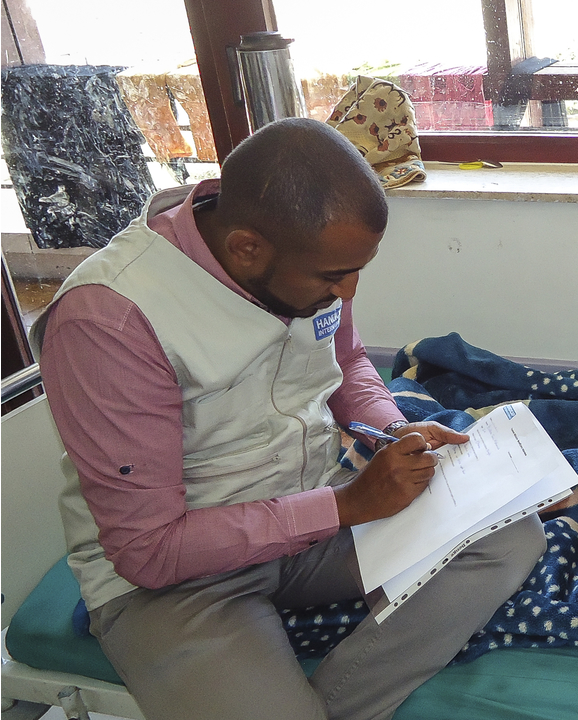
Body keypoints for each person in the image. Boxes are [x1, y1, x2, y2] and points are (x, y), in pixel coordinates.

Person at [31, 117, 547, 720]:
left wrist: (390, 427)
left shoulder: (299, 257)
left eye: (357, 271)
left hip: (306, 518)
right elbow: (148, 550)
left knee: (508, 536)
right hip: (175, 581)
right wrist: (348, 507)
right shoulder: (111, 321)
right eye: (334, 276)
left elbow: (346, 359)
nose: (349, 291)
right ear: (247, 248)